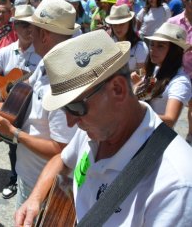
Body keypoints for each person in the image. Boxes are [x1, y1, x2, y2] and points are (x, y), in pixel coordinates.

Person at [15, 29, 192, 227]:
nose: (70, 122)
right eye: (64, 108)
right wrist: (35, 199)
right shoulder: (95, 129)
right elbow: (61, 159)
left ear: (118, 90)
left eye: (75, 107)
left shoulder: (175, 185)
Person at [0, 0, 79, 209]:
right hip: (31, 175)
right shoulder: (45, 64)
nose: (29, 32)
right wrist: (8, 104)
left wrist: (13, 132)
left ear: (44, 35)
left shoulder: (62, 86)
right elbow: (27, 88)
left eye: (34, 28)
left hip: (46, 184)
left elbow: (62, 150)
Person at [0, 4, 42, 200]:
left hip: (35, 111)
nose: (29, 29)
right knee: (13, 147)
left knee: (35, 149)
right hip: (13, 111)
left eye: (32, 25)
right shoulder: (7, 51)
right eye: (23, 25)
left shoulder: (43, 53)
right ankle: (14, 179)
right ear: (15, 26)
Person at [131, 23, 191, 127]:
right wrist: (136, 87)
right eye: (152, 44)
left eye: (160, 46)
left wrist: (134, 113)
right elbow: (147, 95)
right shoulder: (156, 69)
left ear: (174, 51)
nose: (153, 49)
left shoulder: (180, 81)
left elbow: (170, 119)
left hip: (156, 137)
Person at [167, 0, 192, 142]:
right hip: (176, 72)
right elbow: (164, 45)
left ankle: (190, 136)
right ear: (185, 1)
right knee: (172, 108)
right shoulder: (173, 22)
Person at [105, 4, 148, 72]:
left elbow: (141, 76)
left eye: (122, 24)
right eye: (115, 25)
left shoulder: (139, 47)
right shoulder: (109, 43)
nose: (118, 28)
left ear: (129, 24)